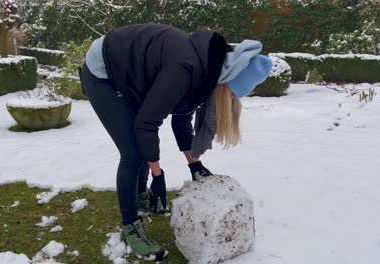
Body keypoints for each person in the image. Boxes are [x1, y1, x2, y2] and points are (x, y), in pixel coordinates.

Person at [79, 23, 272, 261]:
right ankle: (131, 226)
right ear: (228, 83)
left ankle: (139, 197)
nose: (231, 99)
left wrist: (194, 164)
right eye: (233, 94)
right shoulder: (187, 68)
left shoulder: (208, 70)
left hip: (131, 74)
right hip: (104, 72)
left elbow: (181, 119)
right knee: (133, 152)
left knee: (140, 144)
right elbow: (147, 124)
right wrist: (157, 176)